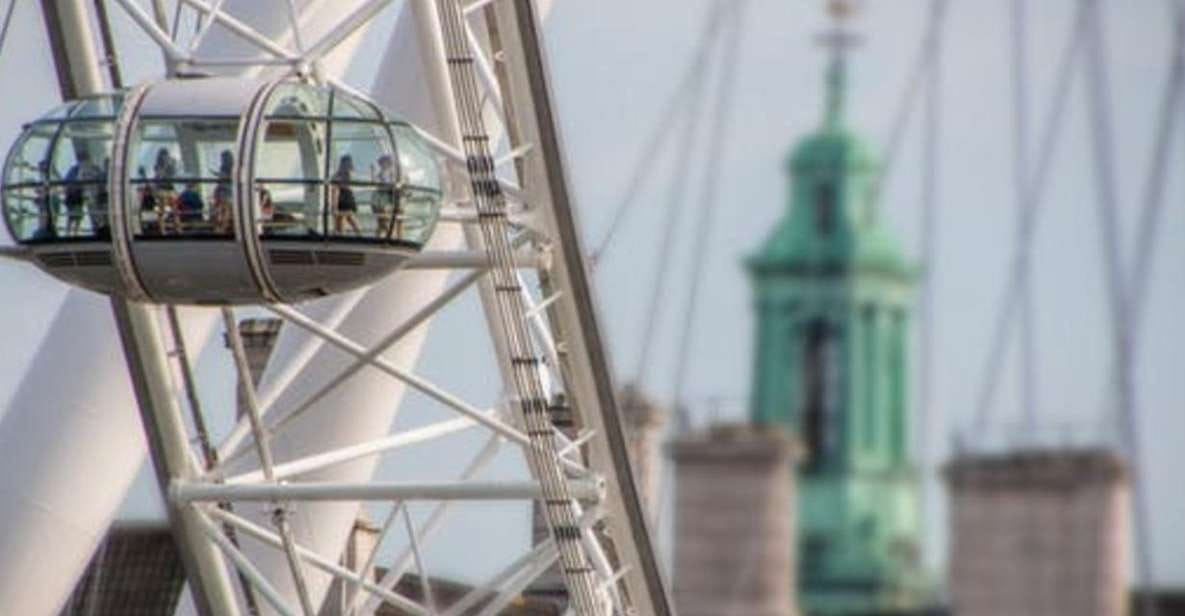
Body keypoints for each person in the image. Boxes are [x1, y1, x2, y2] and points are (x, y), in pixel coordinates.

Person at [62, 150, 99, 236]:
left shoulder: (77, 169)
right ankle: (70, 233)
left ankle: (73, 232)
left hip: (79, 196)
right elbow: (68, 182)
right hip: (74, 196)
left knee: (77, 215)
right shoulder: (75, 170)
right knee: (74, 215)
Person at [372, 154, 402, 239]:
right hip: (380, 199)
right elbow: (375, 183)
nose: (383, 164)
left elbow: (394, 184)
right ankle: (389, 238)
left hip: (385, 199)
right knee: (382, 221)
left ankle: (380, 239)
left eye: (386, 162)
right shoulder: (381, 173)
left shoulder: (391, 173)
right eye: (382, 163)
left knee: (383, 222)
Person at [330, 154, 360, 235]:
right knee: (341, 218)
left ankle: (358, 234)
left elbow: (345, 183)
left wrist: (339, 181)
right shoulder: (340, 173)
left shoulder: (348, 173)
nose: (345, 165)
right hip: (342, 196)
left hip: (346, 196)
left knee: (349, 217)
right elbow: (334, 182)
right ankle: (342, 234)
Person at [153, 148, 180, 234]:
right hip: (162, 189)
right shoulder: (157, 166)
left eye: (167, 155)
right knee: (162, 210)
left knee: (175, 210)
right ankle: (162, 230)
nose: (166, 157)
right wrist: (164, 166)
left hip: (170, 188)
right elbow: (159, 176)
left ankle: (178, 229)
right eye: (164, 155)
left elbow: (174, 175)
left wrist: (173, 164)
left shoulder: (171, 164)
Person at [211, 150, 233, 234]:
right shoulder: (230, 167)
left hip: (225, 191)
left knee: (224, 211)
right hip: (226, 191)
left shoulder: (227, 167)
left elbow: (225, 178)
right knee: (223, 211)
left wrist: (218, 175)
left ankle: (222, 229)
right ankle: (222, 228)